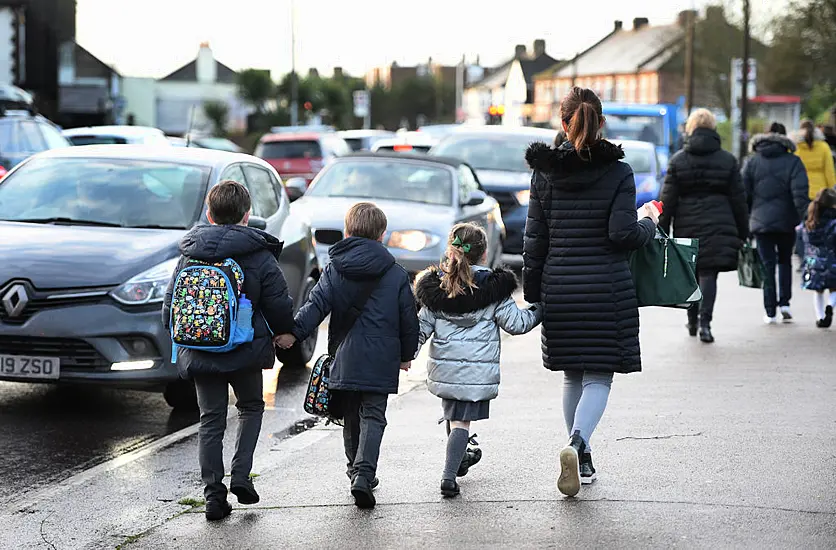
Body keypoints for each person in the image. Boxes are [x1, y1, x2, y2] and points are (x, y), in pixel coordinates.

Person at [523, 87, 659, 497]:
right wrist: (649, 223)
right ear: (602, 123)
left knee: (572, 376)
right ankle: (578, 444)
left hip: (560, 286)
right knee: (598, 376)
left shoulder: (543, 172)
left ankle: (580, 457)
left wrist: (534, 294)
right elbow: (622, 234)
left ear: (562, 123)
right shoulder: (619, 172)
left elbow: (535, 240)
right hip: (605, 289)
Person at [161, 180, 295, 521]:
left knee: (211, 420)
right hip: (244, 349)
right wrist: (284, 333)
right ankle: (240, 475)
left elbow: (169, 308)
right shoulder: (259, 255)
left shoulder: (190, 252)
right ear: (247, 216)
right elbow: (278, 303)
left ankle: (213, 497)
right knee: (251, 407)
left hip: (200, 350)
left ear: (209, 213)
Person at [276, 202, 419, 509]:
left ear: (348, 231)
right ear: (381, 235)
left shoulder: (334, 269)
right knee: (374, 416)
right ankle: (364, 476)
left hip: (345, 354)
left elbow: (315, 307)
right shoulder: (395, 274)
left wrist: (293, 335)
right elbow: (409, 319)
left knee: (350, 414)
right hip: (382, 357)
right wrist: (407, 355)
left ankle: (354, 470)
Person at [414, 223, 542, 498]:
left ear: (450, 251)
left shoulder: (438, 289)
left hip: (446, 370)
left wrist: (404, 356)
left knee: (454, 414)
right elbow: (517, 324)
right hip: (476, 373)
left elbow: (420, 330)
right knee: (461, 421)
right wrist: (540, 310)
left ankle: (459, 460)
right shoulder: (493, 290)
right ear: (484, 256)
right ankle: (448, 477)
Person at [658, 108, 749, 342]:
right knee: (709, 274)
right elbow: (739, 199)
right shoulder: (728, 160)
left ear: (690, 128)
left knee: (691, 273)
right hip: (720, 223)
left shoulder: (678, 160)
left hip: (687, 223)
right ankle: (705, 324)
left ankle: (691, 320)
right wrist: (743, 230)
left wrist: (663, 230)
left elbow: (667, 199)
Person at [742, 122, 810, 324]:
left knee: (767, 265)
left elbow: (743, 194)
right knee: (785, 261)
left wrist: (746, 219)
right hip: (787, 221)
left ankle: (770, 311)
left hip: (760, 222)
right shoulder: (794, 162)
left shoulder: (752, 162)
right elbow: (800, 194)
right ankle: (785, 304)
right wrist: (805, 217)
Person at [792, 120, 836, 265]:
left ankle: (803, 257)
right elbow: (829, 171)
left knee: (802, 227)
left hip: (802, 191)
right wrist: (831, 191)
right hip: (820, 193)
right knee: (821, 226)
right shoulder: (823, 147)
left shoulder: (797, 147)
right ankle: (820, 256)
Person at [802, 188, 836, 328]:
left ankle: (820, 317)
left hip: (814, 263)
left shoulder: (810, 220)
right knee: (834, 289)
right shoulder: (833, 221)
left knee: (818, 291)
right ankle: (830, 306)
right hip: (832, 261)